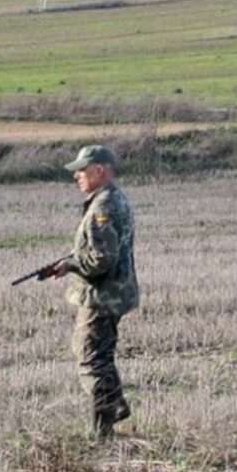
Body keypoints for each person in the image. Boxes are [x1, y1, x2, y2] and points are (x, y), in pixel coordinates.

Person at [48, 144, 139, 438]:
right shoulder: (113, 199)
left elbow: (101, 259)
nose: (76, 176)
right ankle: (114, 411)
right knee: (98, 355)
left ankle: (106, 425)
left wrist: (71, 265)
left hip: (102, 296)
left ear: (99, 170)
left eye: (81, 170)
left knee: (91, 359)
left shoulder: (102, 207)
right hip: (113, 293)